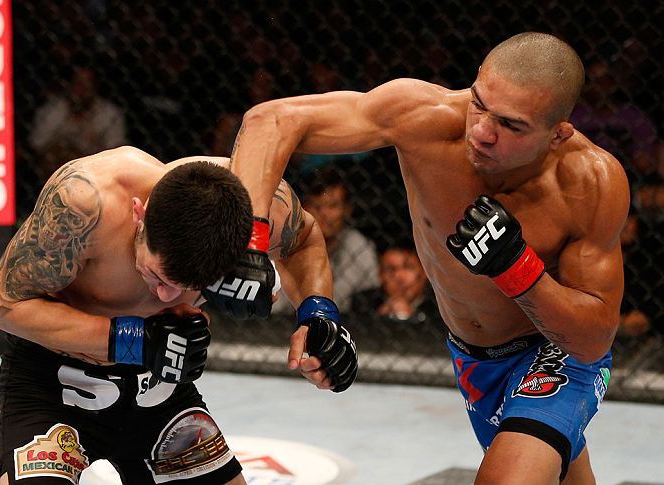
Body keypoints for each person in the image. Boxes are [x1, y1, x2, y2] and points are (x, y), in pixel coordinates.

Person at [228, 32, 630, 484]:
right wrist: (249, 242)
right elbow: (272, 120)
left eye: (511, 126)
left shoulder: (590, 181)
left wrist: (516, 268)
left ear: (558, 134)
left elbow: (593, 339)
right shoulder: (423, 118)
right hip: (472, 356)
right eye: (479, 104)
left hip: (553, 349)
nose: (481, 132)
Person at [0, 146, 357, 485]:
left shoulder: (249, 208)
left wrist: (318, 316)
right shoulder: (84, 203)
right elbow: (5, 306)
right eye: (158, 276)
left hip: (159, 392)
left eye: (186, 286)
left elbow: (304, 238)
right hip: (56, 387)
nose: (164, 296)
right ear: (139, 214)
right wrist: (133, 340)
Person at [272, 167, 380, 313]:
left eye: (332, 206)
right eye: (316, 206)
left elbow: (367, 302)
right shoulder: (283, 243)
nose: (324, 214)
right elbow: (275, 306)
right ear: (302, 207)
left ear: (347, 210)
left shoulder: (360, 247)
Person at [28, 64, 128, 183]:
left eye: (88, 84)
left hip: (98, 175)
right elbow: (38, 147)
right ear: (68, 86)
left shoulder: (110, 114)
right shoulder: (51, 112)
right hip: (56, 176)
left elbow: (117, 154)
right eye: (78, 83)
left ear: (95, 88)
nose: (82, 90)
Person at [351, 244, 441, 326]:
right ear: (380, 275)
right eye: (390, 269)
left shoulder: (439, 305)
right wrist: (380, 319)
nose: (399, 277)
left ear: (424, 272)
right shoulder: (364, 301)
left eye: (408, 267)